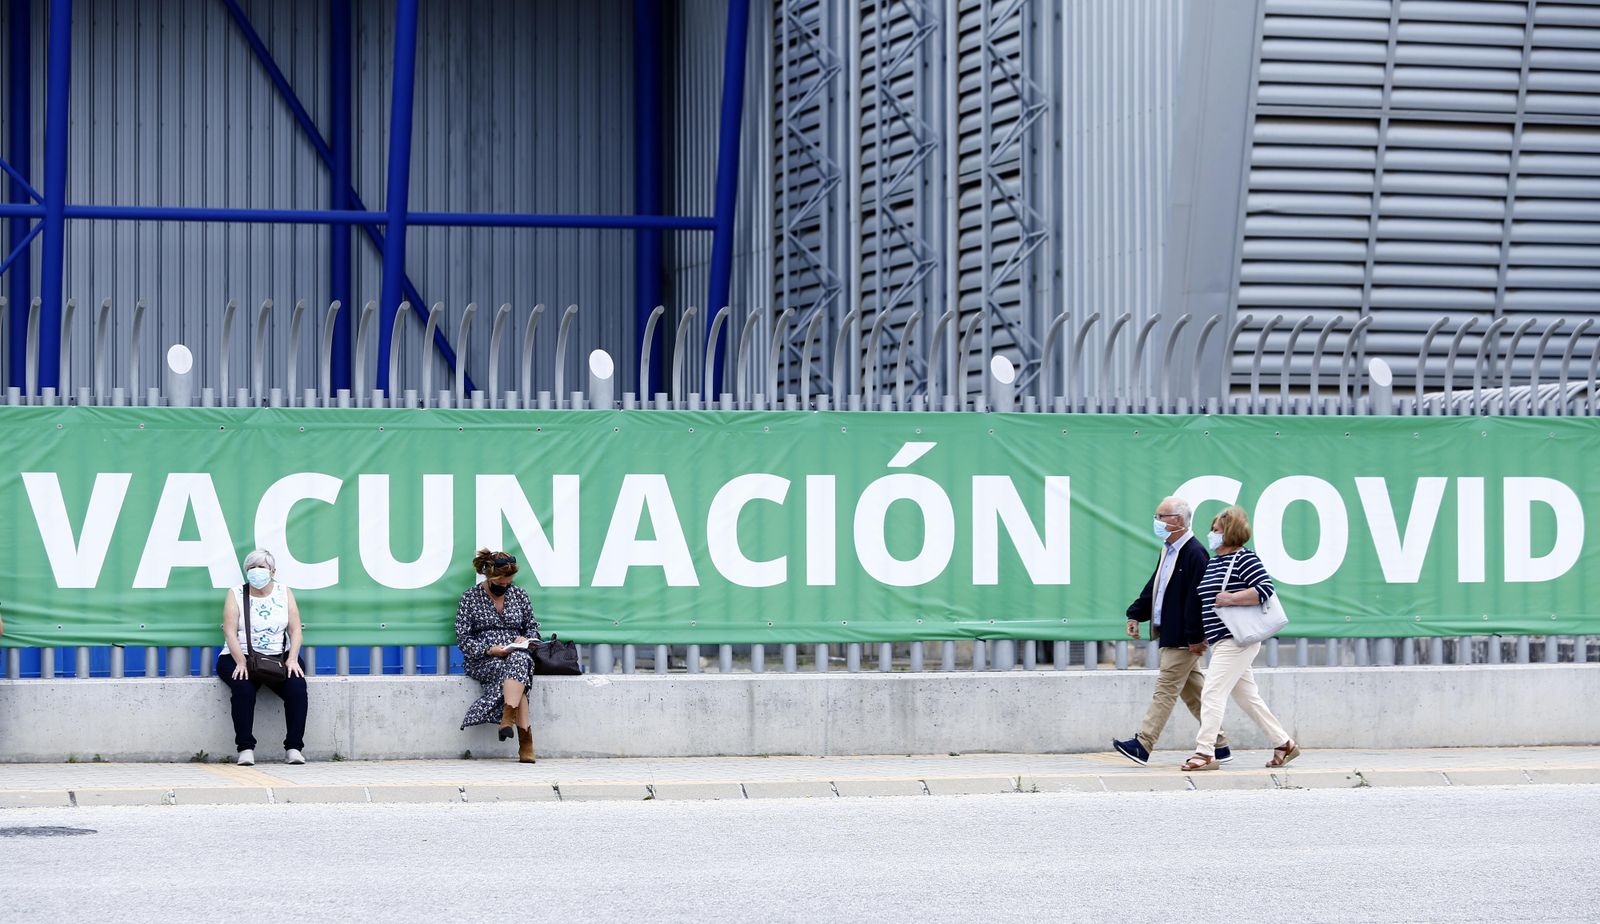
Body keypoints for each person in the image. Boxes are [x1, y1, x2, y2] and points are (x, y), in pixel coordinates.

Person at [1112, 496, 1231, 766]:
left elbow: (1199, 599)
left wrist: (1195, 637)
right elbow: (1157, 585)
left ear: (1177, 520)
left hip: (1183, 637)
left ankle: (1143, 744)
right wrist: (1135, 613)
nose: (1156, 521)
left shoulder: (1194, 553)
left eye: (1160, 517)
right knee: (1194, 693)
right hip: (1173, 632)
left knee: (1165, 690)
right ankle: (1220, 744)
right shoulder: (1169, 549)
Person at [1181, 505, 1300, 771]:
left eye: (1216, 530)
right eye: (1212, 529)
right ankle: (1284, 743)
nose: (1211, 534)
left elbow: (1265, 589)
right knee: (1247, 697)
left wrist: (1232, 598)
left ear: (1230, 532)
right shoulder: (1215, 562)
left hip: (1236, 640)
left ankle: (1205, 752)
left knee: (1212, 692)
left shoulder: (1245, 559)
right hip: (1220, 640)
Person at [217, 549, 307, 767]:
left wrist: (292, 658)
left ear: (273, 571)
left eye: (261, 567)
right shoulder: (236, 593)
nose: (256, 571)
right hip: (240, 656)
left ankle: (294, 748)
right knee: (243, 690)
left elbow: (295, 630)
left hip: (279, 656)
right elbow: (229, 632)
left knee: (297, 688)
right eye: (252, 567)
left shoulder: (284, 592)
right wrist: (240, 661)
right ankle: (245, 748)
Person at [457, 549, 541, 763]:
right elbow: (463, 638)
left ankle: (507, 718)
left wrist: (525, 639)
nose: (504, 586)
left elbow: (533, 627)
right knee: (518, 675)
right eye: (500, 582)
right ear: (489, 576)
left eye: (508, 583)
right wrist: (489, 649)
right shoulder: (470, 597)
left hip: (515, 654)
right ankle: (525, 742)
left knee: (520, 660)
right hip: (485, 659)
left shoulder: (519, 595)